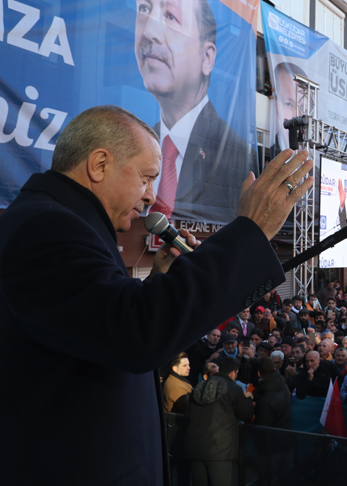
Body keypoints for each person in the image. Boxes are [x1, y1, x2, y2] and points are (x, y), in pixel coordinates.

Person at [0, 105, 311, 484]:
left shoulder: (57, 222)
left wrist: (158, 281)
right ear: (99, 165)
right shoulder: (46, 229)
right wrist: (250, 232)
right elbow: (134, 334)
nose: (151, 198)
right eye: (147, 179)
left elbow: (99, 331)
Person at [134, 0, 256, 223]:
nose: (149, 31)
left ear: (207, 58)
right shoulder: (138, 145)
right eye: (144, 9)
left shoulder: (235, 154)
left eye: (171, 16)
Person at [183, 358, 255, 486]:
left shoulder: (199, 386)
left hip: (195, 449)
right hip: (220, 452)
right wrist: (247, 399)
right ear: (233, 373)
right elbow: (247, 415)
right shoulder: (233, 388)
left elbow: (188, 414)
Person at [252, 357, 292, 430]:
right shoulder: (282, 385)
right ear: (274, 368)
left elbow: (261, 427)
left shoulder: (265, 400)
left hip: (272, 437)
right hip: (284, 432)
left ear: (258, 373)